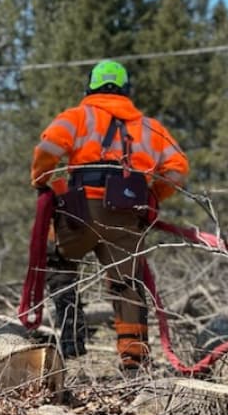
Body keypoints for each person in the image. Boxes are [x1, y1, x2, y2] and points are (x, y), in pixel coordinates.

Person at [30, 59, 189, 371]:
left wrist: (40, 180)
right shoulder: (149, 127)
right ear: (126, 90)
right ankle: (135, 360)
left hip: (80, 215)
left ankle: (72, 341)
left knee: (58, 259)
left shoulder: (75, 117)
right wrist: (154, 195)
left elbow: (47, 148)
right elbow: (178, 170)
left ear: (90, 87)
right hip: (128, 216)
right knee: (127, 283)